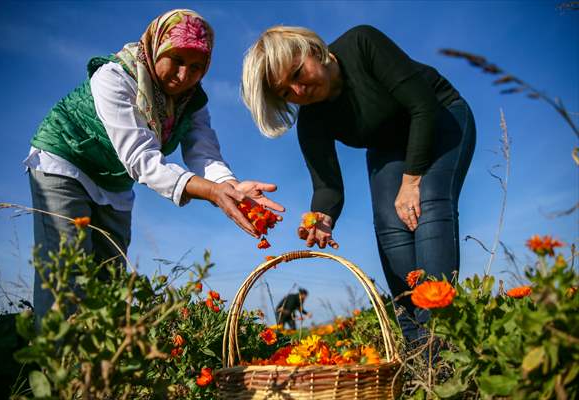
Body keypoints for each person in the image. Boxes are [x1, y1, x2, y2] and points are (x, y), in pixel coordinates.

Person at [25, 9, 284, 319]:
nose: (184, 75)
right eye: (176, 60)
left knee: (109, 282)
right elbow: (141, 158)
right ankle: (58, 363)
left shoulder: (193, 102)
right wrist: (213, 193)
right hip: (66, 162)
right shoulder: (115, 76)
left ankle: (100, 367)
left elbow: (204, 154)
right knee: (66, 275)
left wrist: (230, 187)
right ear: (157, 46)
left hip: (114, 183)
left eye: (196, 67)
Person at [241, 25, 475, 342]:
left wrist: (411, 180)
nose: (298, 91)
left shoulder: (361, 44)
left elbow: (422, 105)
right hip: (388, 147)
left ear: (313, 49)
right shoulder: (311, 120)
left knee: (429, 202)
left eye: (297, 73)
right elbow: (327, 186)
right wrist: (322, 216)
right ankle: (418, 346)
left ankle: (441, 335)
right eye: (285, 92)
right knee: (390, 226)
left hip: (438, 115)